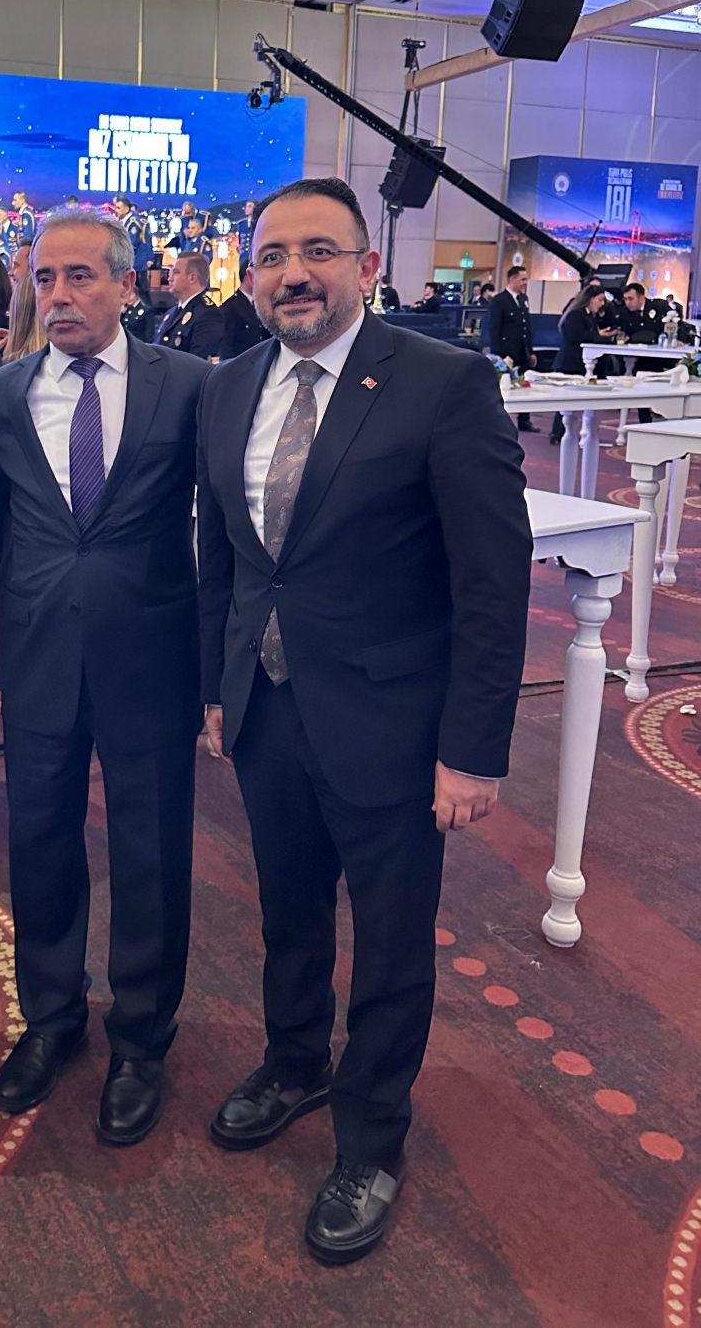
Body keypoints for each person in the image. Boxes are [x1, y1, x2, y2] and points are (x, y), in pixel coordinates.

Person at [196, 177, 531, 1265]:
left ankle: (372, 1138)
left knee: (390, 943)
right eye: (272, 256)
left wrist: (472, 749)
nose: (292, 273)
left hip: (394, 725)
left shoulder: (442, 381)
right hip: (266, 708)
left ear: (366, 266)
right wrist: (216, 687)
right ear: (250, 274)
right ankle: (295, 1061)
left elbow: (493, 581)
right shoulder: (226, 386)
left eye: (318, 251)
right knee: (287, 911)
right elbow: (225, 561)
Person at [0, 211, 204, 1145]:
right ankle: (51, 1017)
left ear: (126, 284)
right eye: (46, 279)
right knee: (38, 841)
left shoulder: (189, 385)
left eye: (81, 277)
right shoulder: (0, 393)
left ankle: (142, 1040)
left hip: (152, 655)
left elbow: (225, 527)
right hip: (37, 653)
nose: (60, 296)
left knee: (150, 852)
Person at [486, 265, 537, 432]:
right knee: (503, 388)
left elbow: (527, 327)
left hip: (522, 351)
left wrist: (530, 351)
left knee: (525, 385)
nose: (525, 283)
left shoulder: (523, 299)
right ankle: (498, 422)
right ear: (512, 279)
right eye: (522, 279)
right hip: (506, 353)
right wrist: (498, 356)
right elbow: (494, 329)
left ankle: (524, 420)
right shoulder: (499, 301)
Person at [156, 254, 223, 360]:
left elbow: (197, 362)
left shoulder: (208, 314)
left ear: (192, 278)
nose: (169, 278)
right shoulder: (172, 312)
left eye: (176, 272)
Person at [219, 264, 271, 360]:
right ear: (248, 277)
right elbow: (226, 343)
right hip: (241, 362)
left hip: (262, 360)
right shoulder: (231, 306)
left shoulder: (261, 303)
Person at [112, 195, 153, 287]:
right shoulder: (123, 221)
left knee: (140, 289)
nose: (116, 210)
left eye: (119, 208)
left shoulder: (134, 222)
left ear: (126, 209)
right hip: (129, 261)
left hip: (137, 261)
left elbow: (131, 243)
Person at [120, 278, 153, 344]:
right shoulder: (126, 310)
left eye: (130, 295)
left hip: (138, 344)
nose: (128, 298)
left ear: (136, 295)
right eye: (126, 295)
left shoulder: (146, 310)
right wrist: (121, 314)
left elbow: (149, 334)